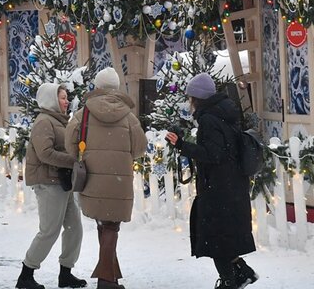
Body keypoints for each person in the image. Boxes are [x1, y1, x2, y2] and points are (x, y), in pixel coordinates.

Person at [165, 73, 257, 289]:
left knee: (215, 240)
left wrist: (182, 145)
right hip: (231, 186)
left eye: (190, 98)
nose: (189, 102)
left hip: (217, 189)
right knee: (223, 238)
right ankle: (243, 273)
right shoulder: (224, 113)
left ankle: (229, 282)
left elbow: (213, 154)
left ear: (197, 98)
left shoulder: (208, 119)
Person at [66, 67, 147, 289]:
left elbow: (70, 143)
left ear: (97, 87)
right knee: (111, 226)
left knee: (105, 225)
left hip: (92, 179)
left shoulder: (83, 114)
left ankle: (110, 277)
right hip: (119, 182)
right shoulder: (129, 117)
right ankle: (106, 282)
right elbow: (140, 148)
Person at [18, 83, 87, 289]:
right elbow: (45, 153)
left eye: (66, 97)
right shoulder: (44, 122)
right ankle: (26, 275)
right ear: (50, 99)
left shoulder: (60, 120)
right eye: (62, 98)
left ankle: (65, 273)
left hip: (61, 181)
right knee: (49, 230)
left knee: (75, 227)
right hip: (47, 182)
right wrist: (73, 160)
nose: (66, 101)